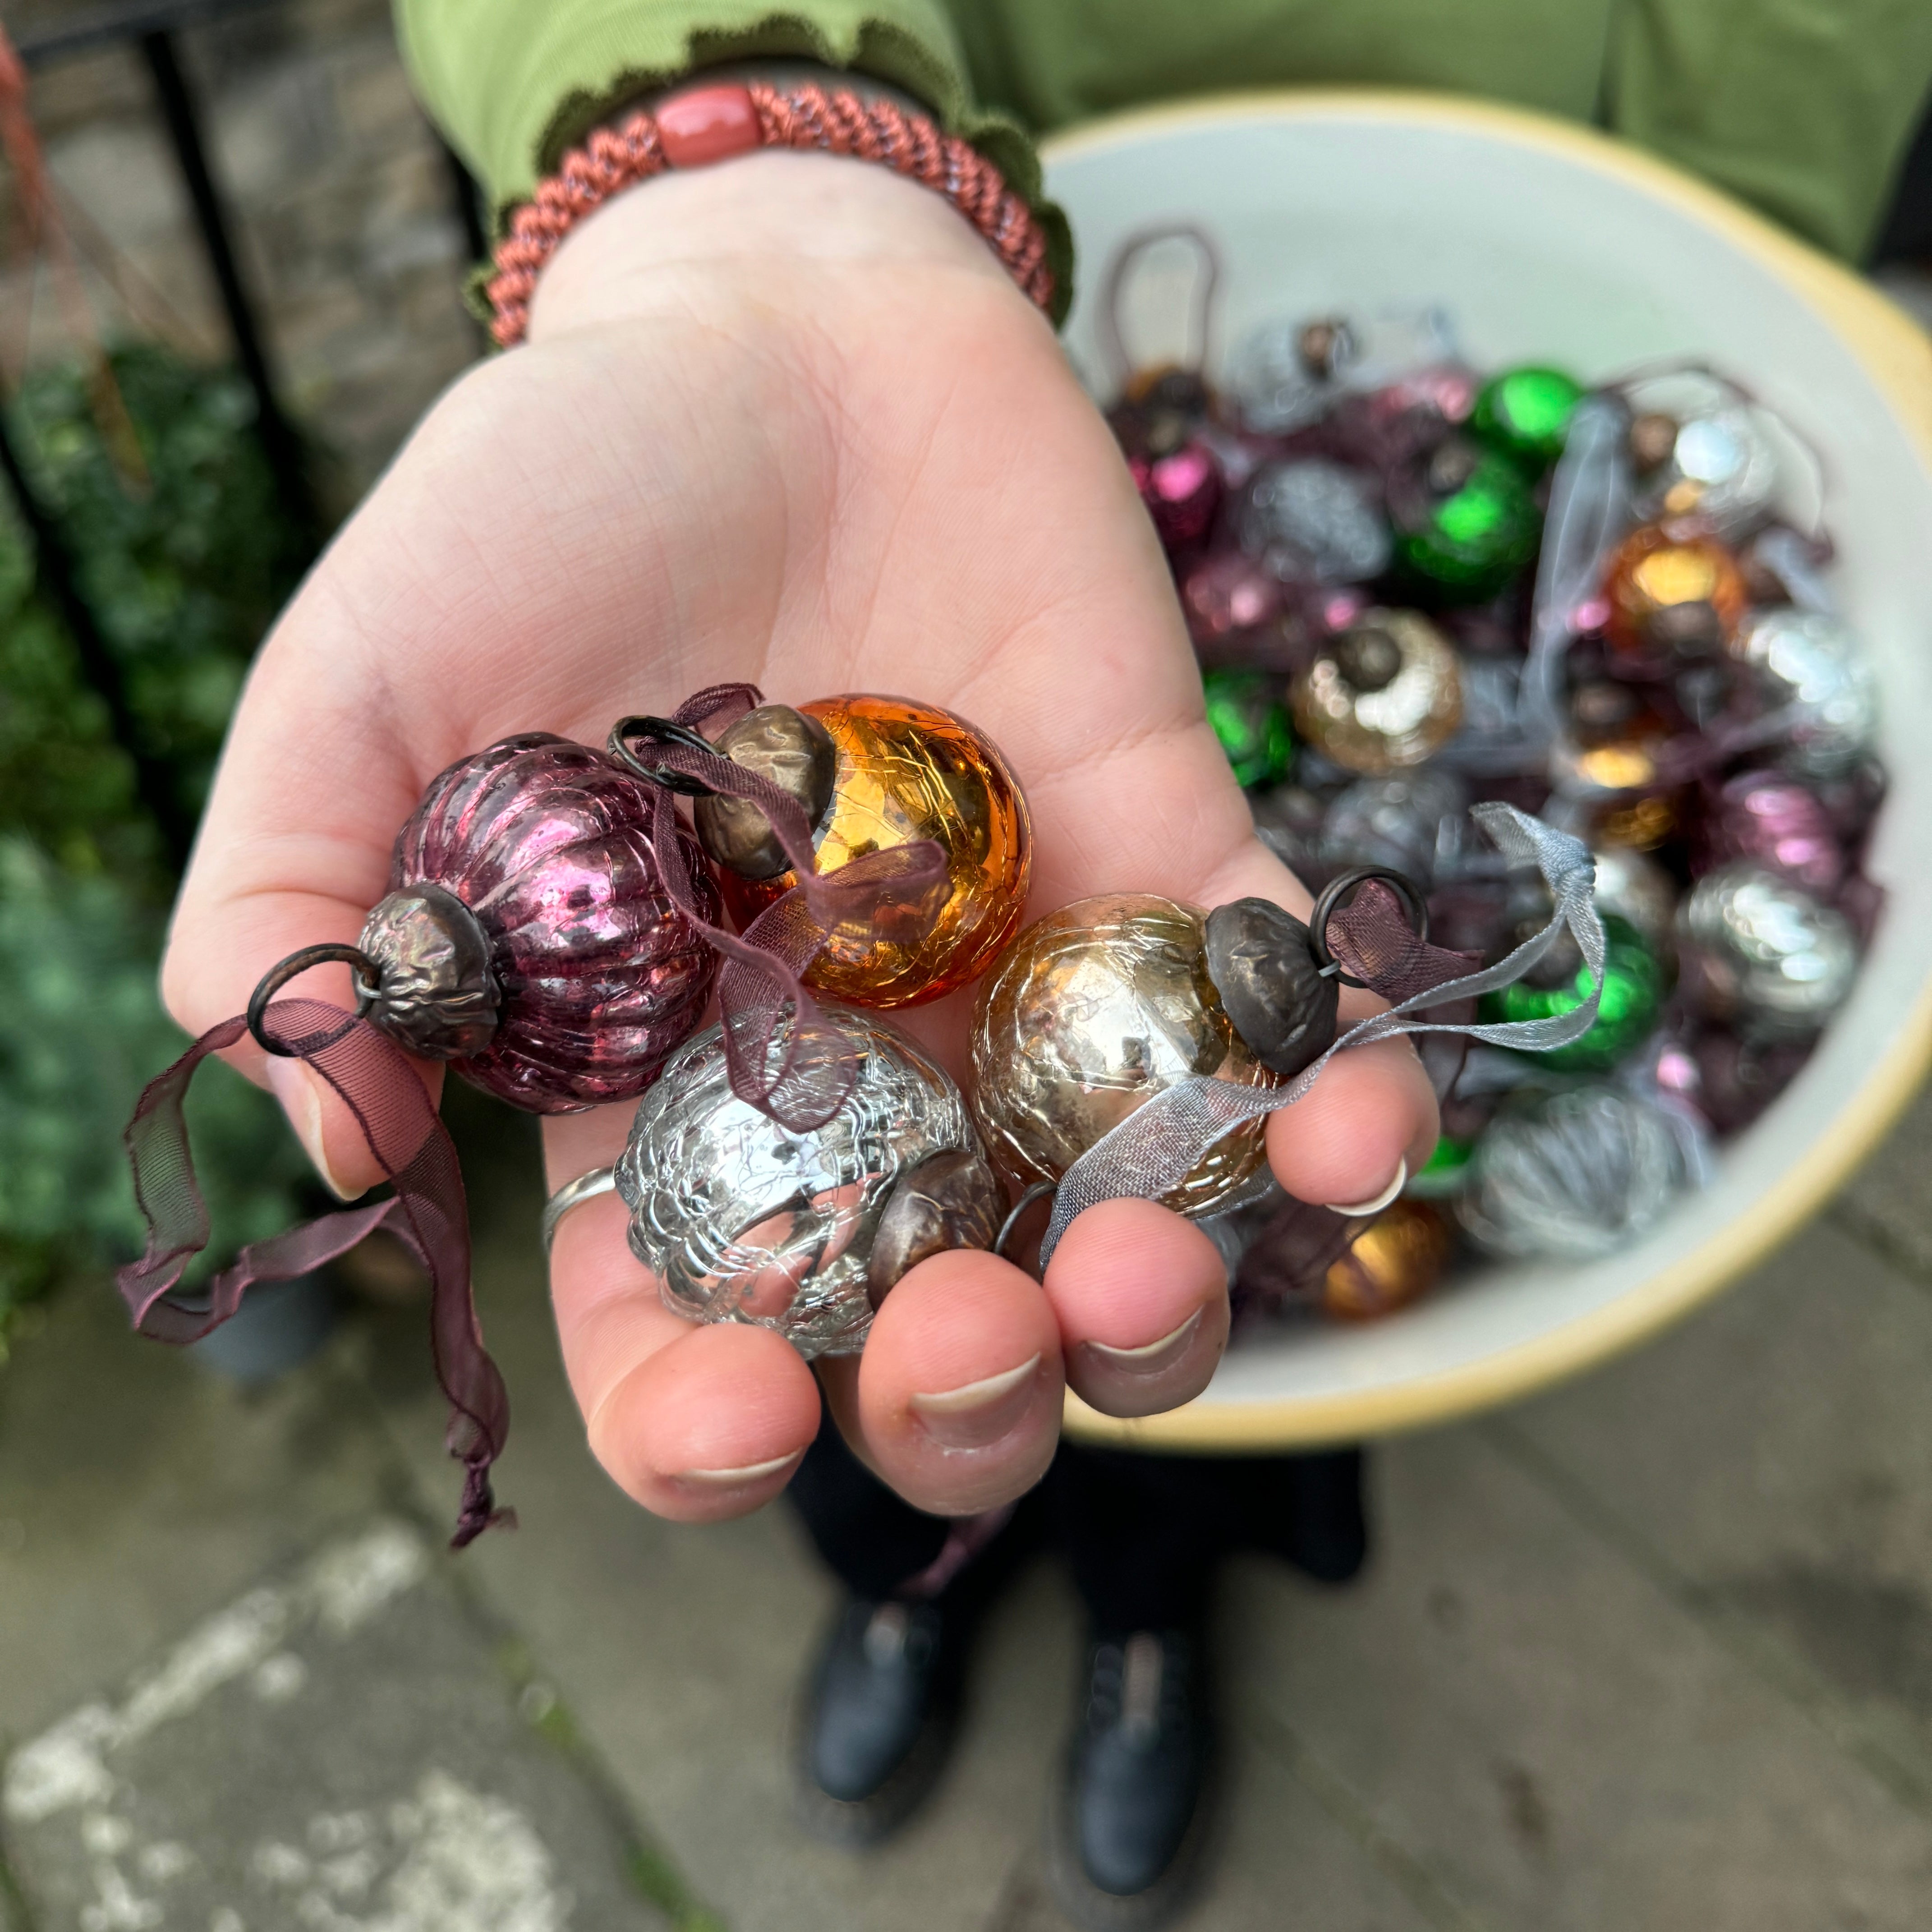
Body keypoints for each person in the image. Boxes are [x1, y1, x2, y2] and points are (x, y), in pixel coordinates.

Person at [162, 3, 1932, 1924]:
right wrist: (748, 201)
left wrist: (1713, 217)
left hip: (1435, 222)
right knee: (870, 1369)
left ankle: (1152, 1627)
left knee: (1170, 1317)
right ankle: (898, 1597)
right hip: (945, 245)